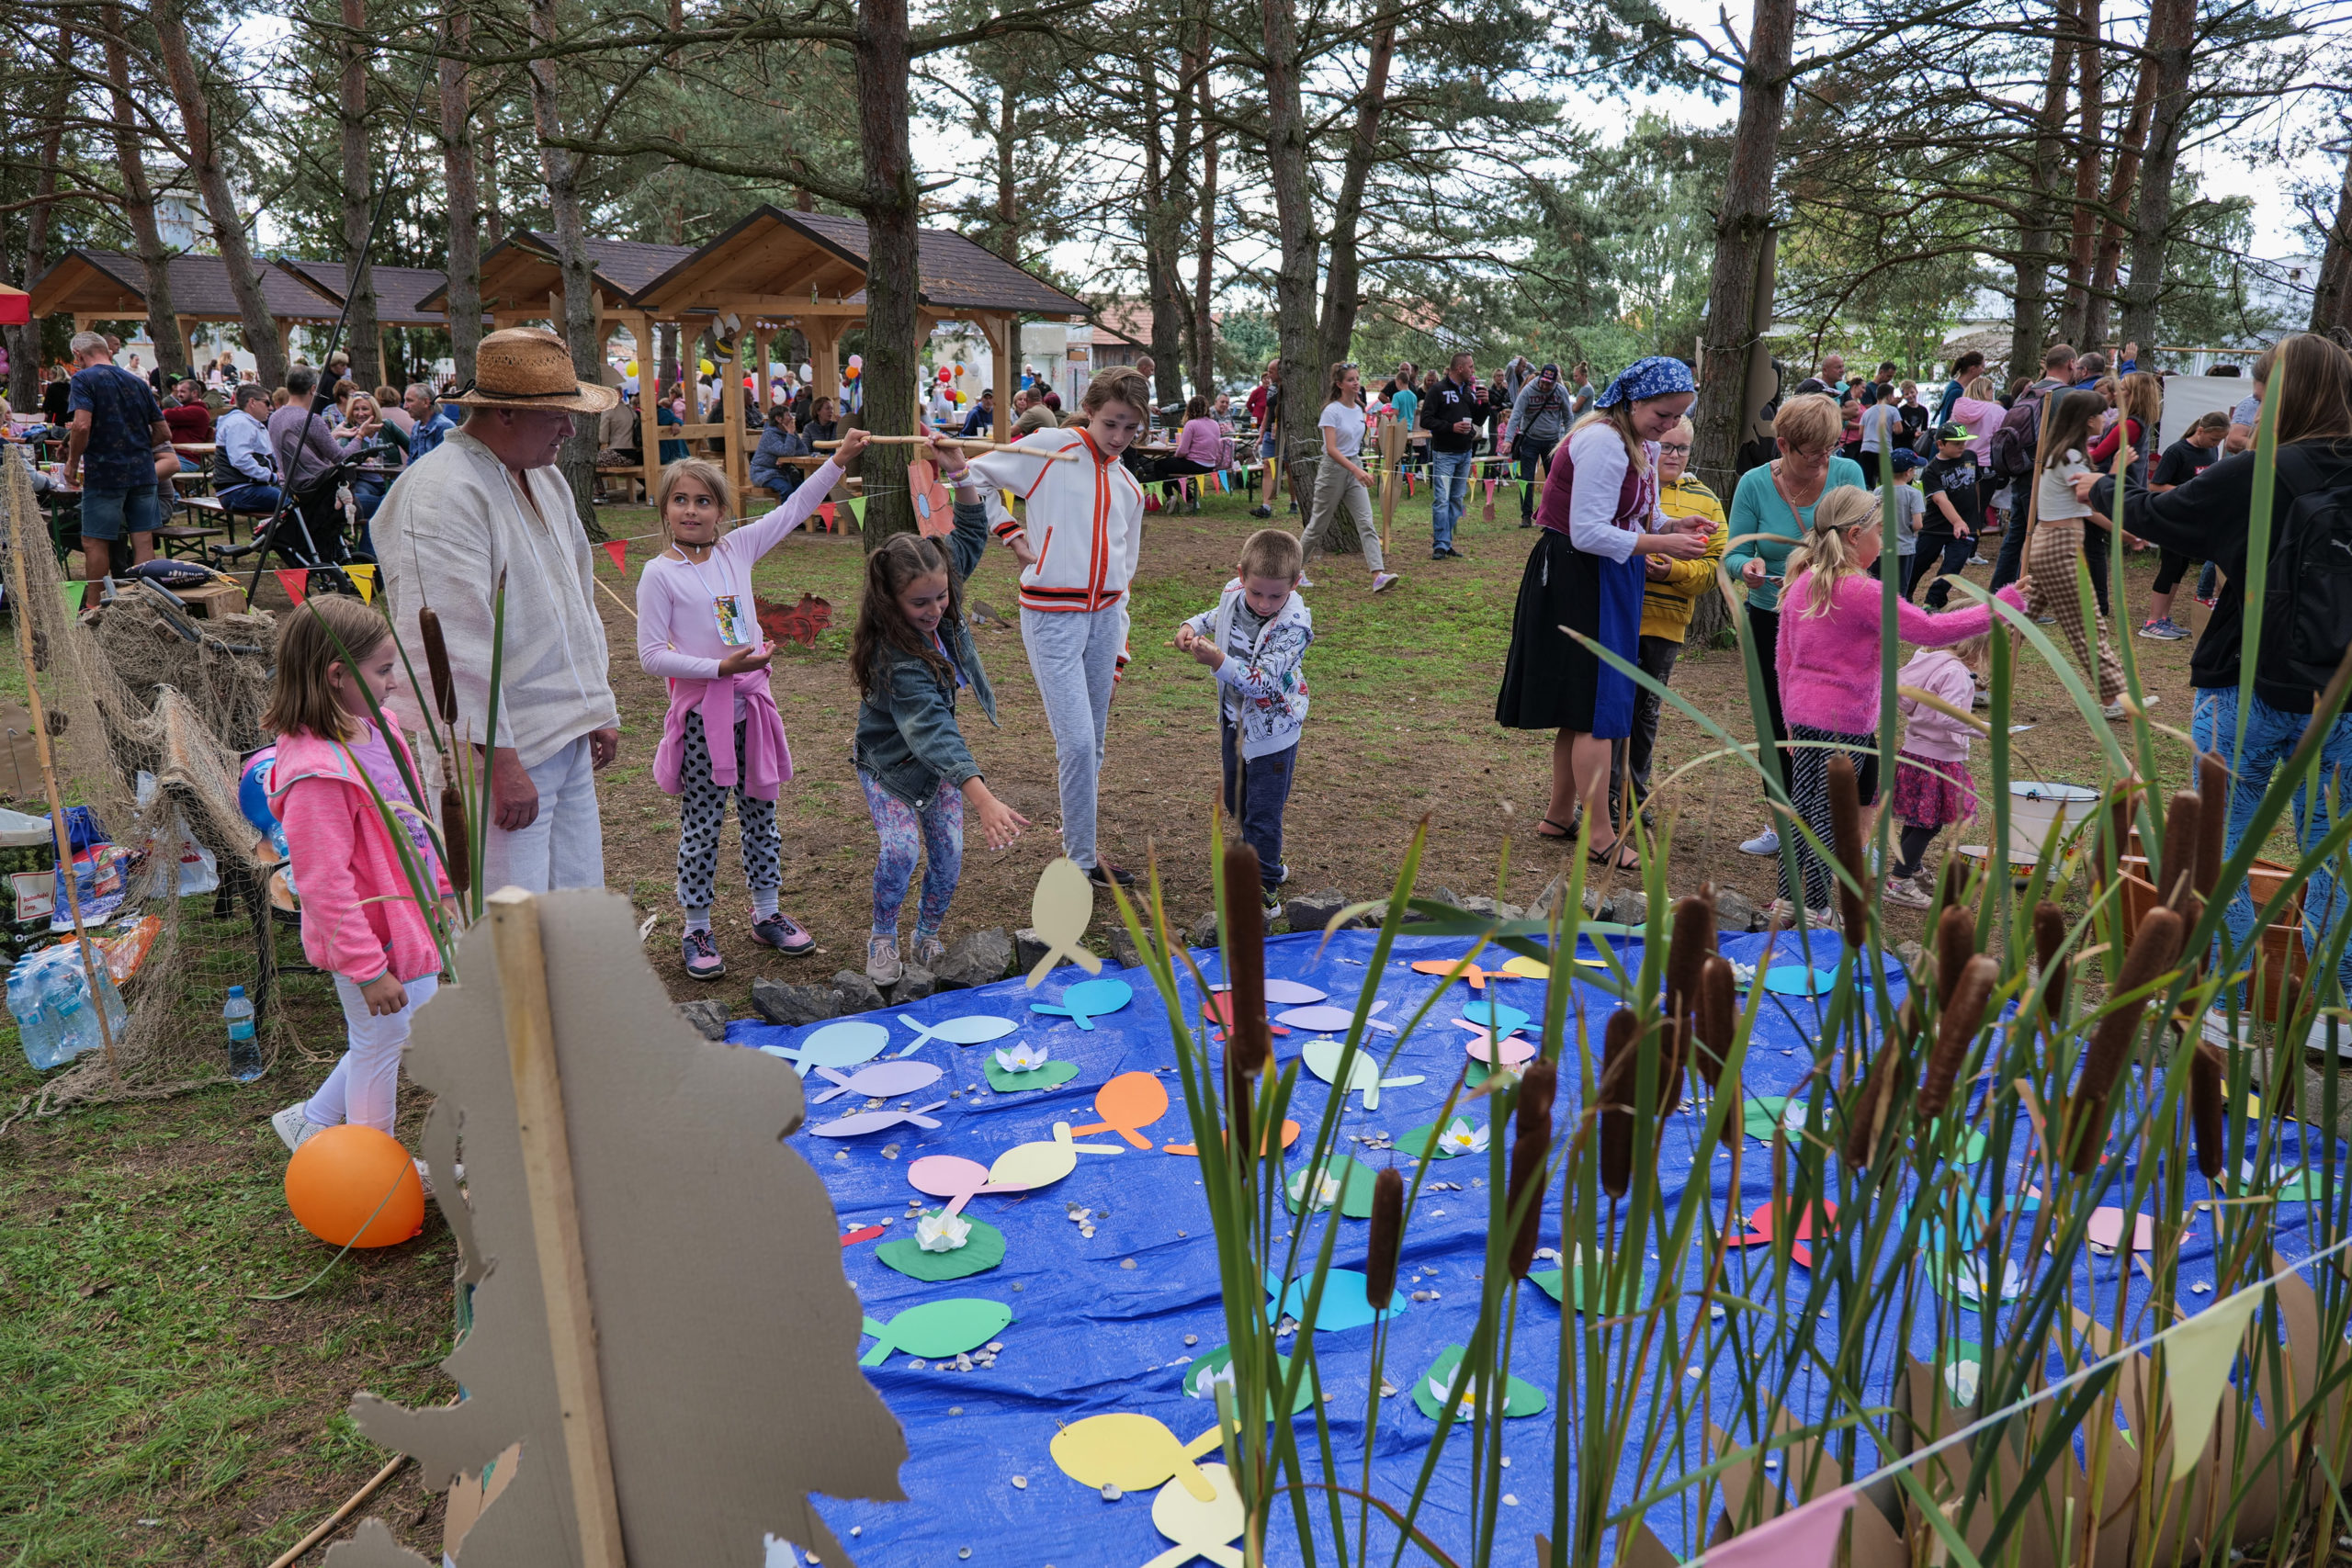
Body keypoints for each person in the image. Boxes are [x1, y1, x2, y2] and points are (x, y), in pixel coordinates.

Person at [2086, 333, 2352, 1003]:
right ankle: (2337, 1002)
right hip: (2340, 695)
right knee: (2336, 855)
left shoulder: (2262, 470)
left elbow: (2163, 514)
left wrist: (2095, 485)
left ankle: (2225, 996)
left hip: (2246, 679)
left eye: (2260, 401)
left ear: (2282, 399)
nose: (2252, 416)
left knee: (2219, 845)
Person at [375, 326, 622, 895]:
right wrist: (499, 762)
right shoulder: (439, 493)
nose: (570, 426)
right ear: (506, 412)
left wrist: (596, 704)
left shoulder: (546, 476)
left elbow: (576, 600)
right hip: (498, 755)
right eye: (556, 413)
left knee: (577, 902)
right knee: (511, 922)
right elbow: (447, 646)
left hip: (563, 729)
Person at [639, 448, 851, 978]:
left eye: (704, 501)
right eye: (681, 500)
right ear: (665, 510)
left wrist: (839, 461)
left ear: (722, 511)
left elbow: (796, 506)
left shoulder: (737, 549)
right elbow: (650, 656)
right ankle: (697, 927)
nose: (692, 511)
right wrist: (718, 667)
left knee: (762, 818)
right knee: (702, 827)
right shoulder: (658, 574)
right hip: (701, 720)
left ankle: (766, 913)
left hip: (753, 712)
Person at [262, 594, 456, 1172]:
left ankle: (314, 1119)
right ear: (338, 676)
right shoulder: (316, 774)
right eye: (384, 670)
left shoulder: (380, 727)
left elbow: (414, 813)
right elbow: (322, 884)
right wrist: (367, 969)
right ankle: (377, 1169)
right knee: (379, 1044)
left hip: (407, 917)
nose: (395, 684)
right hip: (369, 938)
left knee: (398, 1029)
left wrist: (440, 886)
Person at [1496, 356, 1713, 867]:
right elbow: (1588, 530)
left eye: (1678, 416)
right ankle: (1598, 833)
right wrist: (1659, 540)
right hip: (1578, 575)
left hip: (1607, 574)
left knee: (1587, 704)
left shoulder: (1640, 440)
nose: (1668, 426)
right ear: (1633, 401)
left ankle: (1558, 815)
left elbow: (1634, 509)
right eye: (1663, 414)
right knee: (1598, 707)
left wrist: (1671, 525)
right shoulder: (1602, 441)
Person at [1771, 485, 2022, 924]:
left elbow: (1784, 658)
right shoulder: (1863, 591)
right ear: (1853, 535)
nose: (1884, 542)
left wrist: (1791, 723)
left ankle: (1790, 899)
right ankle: (1812, 907)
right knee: (1831, 818)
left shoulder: (1803, 582)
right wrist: (2004, 605)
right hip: (1843, 725)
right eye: (1880, 533)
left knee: (1804, 808)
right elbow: (1930, 630)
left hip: (1806, 719)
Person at [852, 437, 1031, 981]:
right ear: (891, 601)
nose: (935, 610)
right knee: (903, 850)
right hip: (889, 764)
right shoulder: (894, 654)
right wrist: (981, 796)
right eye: (920, 603)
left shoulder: (940, 584)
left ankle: (927, 936)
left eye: (942, 597)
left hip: (939, 767)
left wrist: (961, 476)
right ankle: (883, 936)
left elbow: (972, 535)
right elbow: (930, 728)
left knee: (948, 853)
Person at [965, 365, 1150, 887]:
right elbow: (972, 475)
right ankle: (1080, 862)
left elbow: (1126, 572)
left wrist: (1120, 645)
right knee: (1074, 742)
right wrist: (1007, 529)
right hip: (1051, 617)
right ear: (1090, 410)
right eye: (1112, 423)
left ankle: (1083, 856)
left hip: (1106, 620)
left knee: (1093, 745)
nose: (1119, 438)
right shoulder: (1050, 449)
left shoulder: (1131, 488)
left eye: (1131, 428)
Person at [1721, 393, 1868, 856]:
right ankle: (1784, 827)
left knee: (1853, 724)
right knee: (1778, 724)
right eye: (1814, 451)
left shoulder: (1848, 474)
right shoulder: (1753, 484)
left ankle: (1857, 837)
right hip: (1773, 620)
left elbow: (1863, 543)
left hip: (1835, 620)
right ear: (1783, 444)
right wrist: (1747, 568)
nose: (1825, 457)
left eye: (1832, 446)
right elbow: (1733, 553)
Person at [1175, 528, 1314, 904]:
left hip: (1273, 734)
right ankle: (1269, 860)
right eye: (1256, 592)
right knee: (1239, 803)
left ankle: (1264, 888)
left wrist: (1219, 662)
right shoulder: (1234, 594)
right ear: (1241, 575)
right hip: (1234, 724)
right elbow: (1215, 615)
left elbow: (1263, 682)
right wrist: (1192, 625)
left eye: (1276, 595)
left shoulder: (1293, 628)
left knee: (1262, 813)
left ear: (1295, 583)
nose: (1265, 603)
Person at [1608, 414, 1725, 822]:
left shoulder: (1707, 501)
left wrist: (1672, 570)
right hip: (1618, 615)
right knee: (1607, 707)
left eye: (1682, 448)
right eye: (1666, 447)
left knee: (1644, 713)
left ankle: (1633, 798)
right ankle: (1600, 796)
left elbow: (1713, 570)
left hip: (1665, 623)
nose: (1672, 455)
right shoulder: (1628, 487)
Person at [2027, 388, 2131, 716]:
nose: (2107, 418)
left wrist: (2123, 533)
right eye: (2104, 413)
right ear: (2088, 419)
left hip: (2052, 543)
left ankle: (1973, 676)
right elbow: (2094, 497)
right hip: (2060, 547)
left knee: (2019, 621)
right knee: (2088, 624)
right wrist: (2115, 472)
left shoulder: (2064, 453)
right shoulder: (2070, 456)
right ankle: (2115, 698)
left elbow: (2088, 507)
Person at [1882, 632, 1993, 907]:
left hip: (1917, 751)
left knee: (1920, 819)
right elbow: (1947, 717)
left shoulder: (1934, 661)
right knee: (1928, 824)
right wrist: (1984, 729)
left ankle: (1912, 869)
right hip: (1937, 759)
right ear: (1981, 647)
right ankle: (1899, 881)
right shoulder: (1956, 672)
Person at [60, 331, 169, 581]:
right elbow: (164, 431)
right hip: (142, 471)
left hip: (105, 472)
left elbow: (81, 425)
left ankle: (94, 604)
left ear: (77, 354)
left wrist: (72, 463)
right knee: (143, 539)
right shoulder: (138, 382)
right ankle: (146, 600)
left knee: (94, 541)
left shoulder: (84, 379)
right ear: (108, 351)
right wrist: (135, 447)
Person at [1298, 363, 1399, 592]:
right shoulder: (1331, 411)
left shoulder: (1358, 409)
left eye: (1357, 378)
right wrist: (1355, 470)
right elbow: (1331, 449)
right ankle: (1293, 571)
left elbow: (1354, 445)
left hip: (1354, 464)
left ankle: (1378, 575)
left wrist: (1358, 468)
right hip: (1333, 469)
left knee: (1366, 522)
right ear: (1340, 384)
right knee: (1317, 526)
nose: (1356, 383)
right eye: (1351, 379)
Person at [1985, 343, 2078, 593]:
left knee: (2017, 536)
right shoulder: (2064, 395)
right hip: (2045, 478)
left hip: (2021, 472)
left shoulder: (2027, 392)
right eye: (2076, 364)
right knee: (2038, 539)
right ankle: (2023, 597)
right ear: (2071, 364)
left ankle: (1999, 592)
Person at [2138, 411, 2229, 638]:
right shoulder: (2177, 451)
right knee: (2169, 566)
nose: (2216, 444)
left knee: (2180, 566)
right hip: (2171, 518)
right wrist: (2189, 494)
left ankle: (2163, 619)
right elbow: (2155, 486)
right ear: (2200, 431)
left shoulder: (2210, 450)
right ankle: (2151, 621)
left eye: (2219, 441)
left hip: (2192, 521)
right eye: (2213, 439)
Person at [1910, 423, 1984, 607]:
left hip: (1966, 526)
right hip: (1936, 527)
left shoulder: (1971, 457)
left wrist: (1977, 517)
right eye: (1956, 443)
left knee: (1953, 567)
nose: (1962, 446)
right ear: (1941, 444)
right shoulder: (1932, 470)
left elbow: (1975, 486)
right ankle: (1902, 595)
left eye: (1964, 442)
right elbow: (1940, 499)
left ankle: (1933, 602)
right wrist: (1957, 521)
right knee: (1919, 563)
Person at [1425, 350, 1484, 560]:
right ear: (1460, 368)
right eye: (1471, 366)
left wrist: (1484, 404)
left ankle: (1446, 541)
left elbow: (1477, 419)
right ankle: (1440, 544)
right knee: (1441, 498)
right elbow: (1426, 420)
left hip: (1465, 452)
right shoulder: (1438, 390)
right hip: (1444, 454)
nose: (1473, 370)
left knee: (1457, 500)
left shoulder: (1469, 392)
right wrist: (1451, 427)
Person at [1509, 364, 1575, 525]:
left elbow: (1568, 417)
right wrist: (1507, 440)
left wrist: (1569, 439)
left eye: (1549, 383)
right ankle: (1526, 515)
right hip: (1530, 440)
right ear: (1539, 378)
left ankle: (1552, 514)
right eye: (1543, 382)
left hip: (1552, 442)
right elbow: (1515, 415)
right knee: (1527, 478)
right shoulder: (1528, 391)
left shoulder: (1560, 391)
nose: (1545, 386)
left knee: (1556, 479)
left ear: (1554, 381)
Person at [336, 389, 408, 526]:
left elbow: (412, 448)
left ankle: (384, 518)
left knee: (388, 501)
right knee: (361, 501)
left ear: (374, 410)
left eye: (365, 409)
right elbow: (344, 456)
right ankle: (386, 515)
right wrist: (360, 443)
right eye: (356, 409)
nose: (360, 413)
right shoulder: (350, 430)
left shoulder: (387, 426)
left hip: (391, 479)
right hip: (367, 481)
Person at [210, 382, 282, 517]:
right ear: (252, 402)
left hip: (245, 489)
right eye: (267, 403)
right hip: (238, 492)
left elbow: (267, 457)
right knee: (292, 501)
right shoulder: (240, 423)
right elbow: (241, 460)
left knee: (299, 496)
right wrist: (272, 477)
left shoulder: (247, 422)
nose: (271, 408)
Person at [1147, 396, 1226, 510]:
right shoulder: (1214, 424)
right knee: (1172, 468)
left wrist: (1175, 456)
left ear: (1190, 409)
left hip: (1195, 464)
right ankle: (1190, 501)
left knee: (1159, 465)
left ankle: (1170, 497)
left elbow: (1183, 450)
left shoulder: (1191, 424)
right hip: (1210, 464)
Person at [1250, 360, 1286, 520]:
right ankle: (1266, 506)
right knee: (1267, 467)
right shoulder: (1271, 389)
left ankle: (1294, 502)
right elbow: (1267, 412)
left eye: (1272, 371)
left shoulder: (1292, 387)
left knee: (1290, 469)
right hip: (1271, 431)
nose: (1269, 375)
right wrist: (1261, 433)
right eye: (1268, 371)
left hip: (1286, 433)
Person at [1883, 447, 1925, 584]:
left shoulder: (1879, 491)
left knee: (1881, 588)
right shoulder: (1914, 494)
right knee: (1900, 592)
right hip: (1904, 548)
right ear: (1908, 472)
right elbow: (1918, 524)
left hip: (1882, 549)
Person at [749, 405, 809, 499]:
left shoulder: (791, 432)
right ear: (778, 419)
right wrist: (790, 435)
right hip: (764, 472)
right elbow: (787, 452)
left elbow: (804, 450)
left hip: (785, 472)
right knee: (787, 489)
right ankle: (786, 513)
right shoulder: (770, 435)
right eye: (788, 415)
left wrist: (785, 458)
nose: (791, 418)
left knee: (803, 489)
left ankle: (801, 513)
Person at [1857, 380, 1903, 487]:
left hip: (1866, 449)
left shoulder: (1867, 412)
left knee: (1867, 482)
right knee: (1885, 482)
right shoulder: (1893, 410)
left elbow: (1861, 432)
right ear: (1889, 396)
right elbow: (1899, 430)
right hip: (1883, 449)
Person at [1935, 351, 1987, 424]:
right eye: (1982, 367)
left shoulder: (1956, 387)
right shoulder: (1957, 393)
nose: (1983, 371)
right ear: (1973, 369)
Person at [403, 384, 455, 457]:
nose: (405, 406)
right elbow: (412, 461)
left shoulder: (443, 427)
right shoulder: (417, 427)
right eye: (405, 401)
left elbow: (442, 462)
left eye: (410, 401)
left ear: (426, 402)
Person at [163, 378, 214, 445]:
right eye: (178, 392)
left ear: (194, 393)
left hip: (185, 452)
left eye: (182, 392)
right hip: (175, 450)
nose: (179, 395)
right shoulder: (187, 409)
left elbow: (166, 414)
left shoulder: (198, 411)